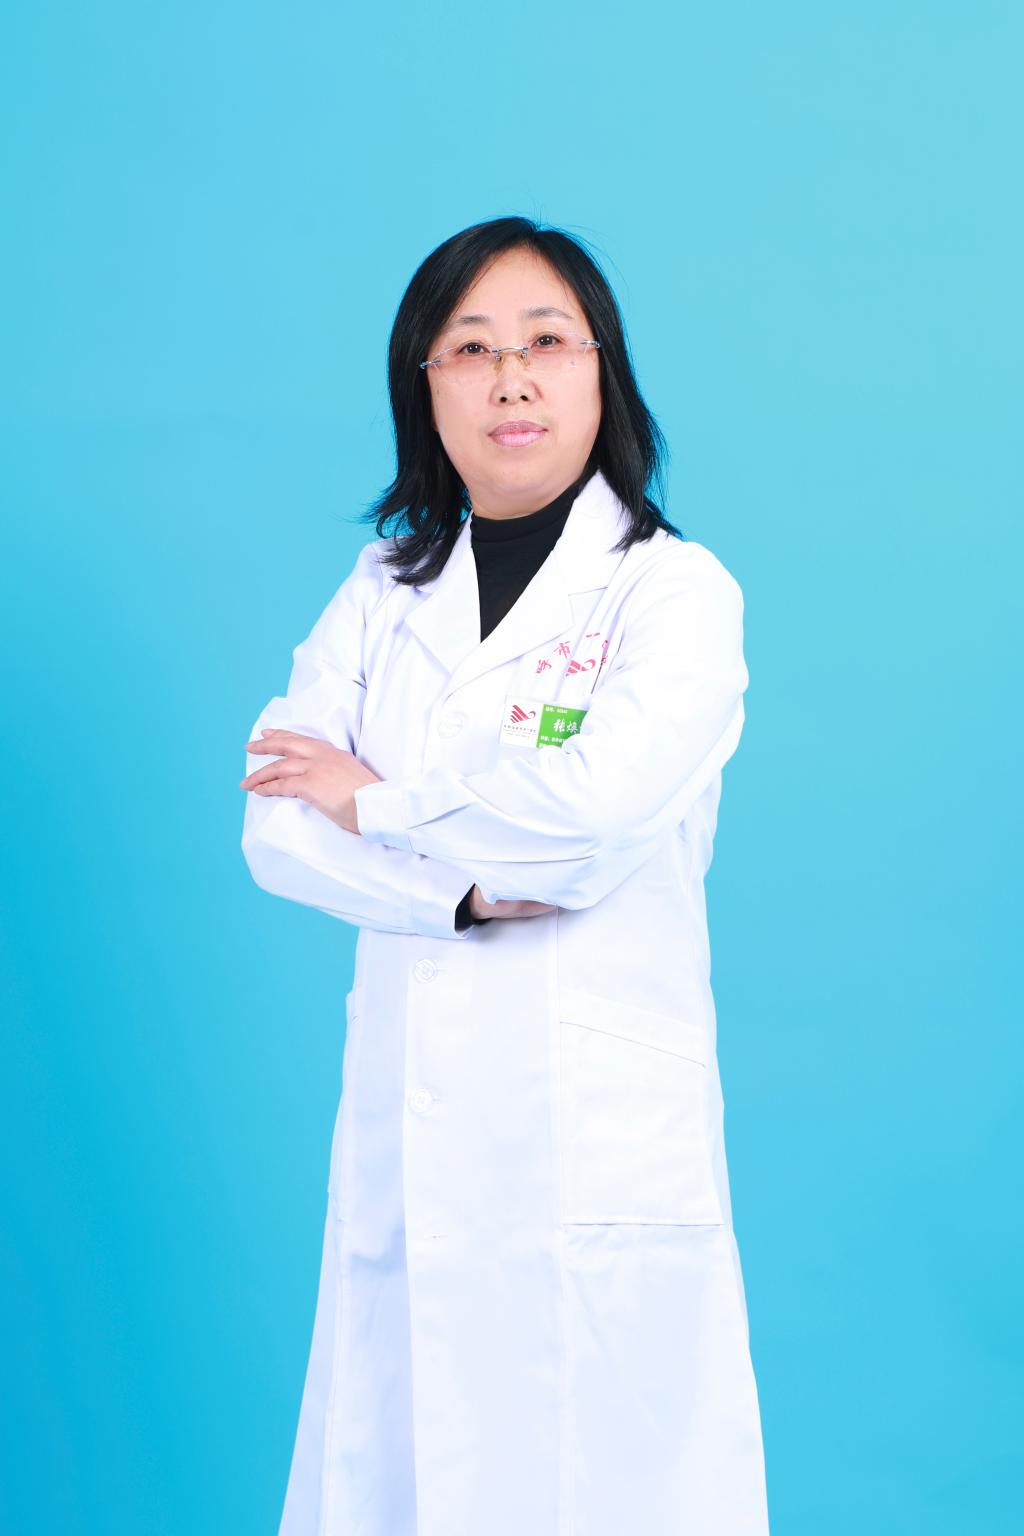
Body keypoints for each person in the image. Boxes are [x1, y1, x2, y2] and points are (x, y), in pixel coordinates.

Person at [239, 215, 770, 1536]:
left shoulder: (674, 595)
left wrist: (378, 801)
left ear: (603, 372)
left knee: (605, 1480)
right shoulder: (382, 590)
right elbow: (276, 828)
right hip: (412, 1132)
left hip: (591, 1138)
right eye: (469, 349)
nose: (511, 377)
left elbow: (591, 824)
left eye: (546, 341)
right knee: (401, 1466)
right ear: (425, 388)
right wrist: (453, 893)